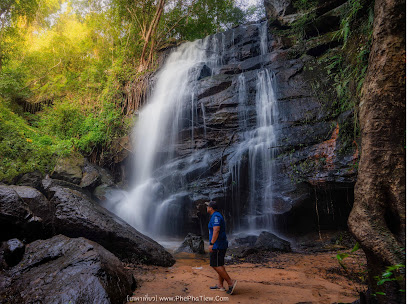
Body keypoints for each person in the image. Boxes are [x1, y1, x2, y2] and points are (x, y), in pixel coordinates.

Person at [206, 201, 237, 295]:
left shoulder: (216, 216)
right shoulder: (216, 216)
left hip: (218, 245)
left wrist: (211, 243)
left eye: (207, 206)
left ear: (211, 208)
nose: (206, 208)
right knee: (220, 264)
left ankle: (231, 283)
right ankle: (220, 285)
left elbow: (216, 229)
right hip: (220, 244)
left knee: (215, 265)